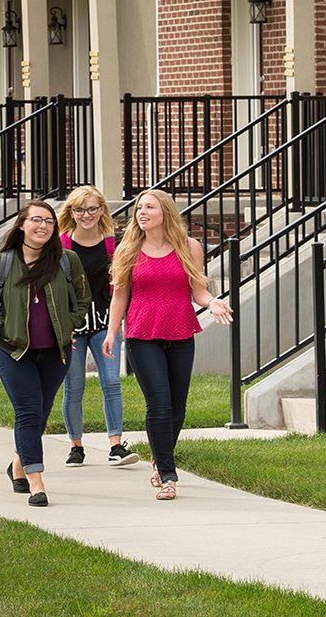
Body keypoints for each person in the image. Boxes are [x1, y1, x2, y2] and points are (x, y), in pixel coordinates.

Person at [103, 188, 231, 501]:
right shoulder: (128, 249)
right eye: (138, 209)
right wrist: (111, 332)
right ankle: (167, 473)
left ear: (165, 213)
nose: (141, 213)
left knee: (177, 408)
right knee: (158, 403)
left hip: (180, 332)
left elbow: (198, 290)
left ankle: (159, 456)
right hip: (142, 335)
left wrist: (212, 302)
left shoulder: (189, 246)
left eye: (149, 207)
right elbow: (120, 294)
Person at [0, 200, 90, 508]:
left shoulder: (67, 261)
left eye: (49, 221)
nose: (43, 226)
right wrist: (1, 328)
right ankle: (36, 481)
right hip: (13, 352)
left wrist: (68, 326)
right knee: (27, 412)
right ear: (22, 225)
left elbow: (82, 300)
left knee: (39, 415)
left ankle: (17, 465)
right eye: (36, 220)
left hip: (55, 353)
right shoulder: (3, 263)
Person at [56, 186, 137, 467]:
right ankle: (76, 446)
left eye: (92, 209)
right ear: (71, 213)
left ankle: (116, 445)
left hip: (104, 323)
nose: (86, 215)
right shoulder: (62, 244)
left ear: (102, 209)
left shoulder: (112, 243)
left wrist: (116, 327)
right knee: (74, 386)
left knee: (112, 382)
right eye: (79, 210)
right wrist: (62, 327)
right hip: (72, 328)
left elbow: (121, 285)